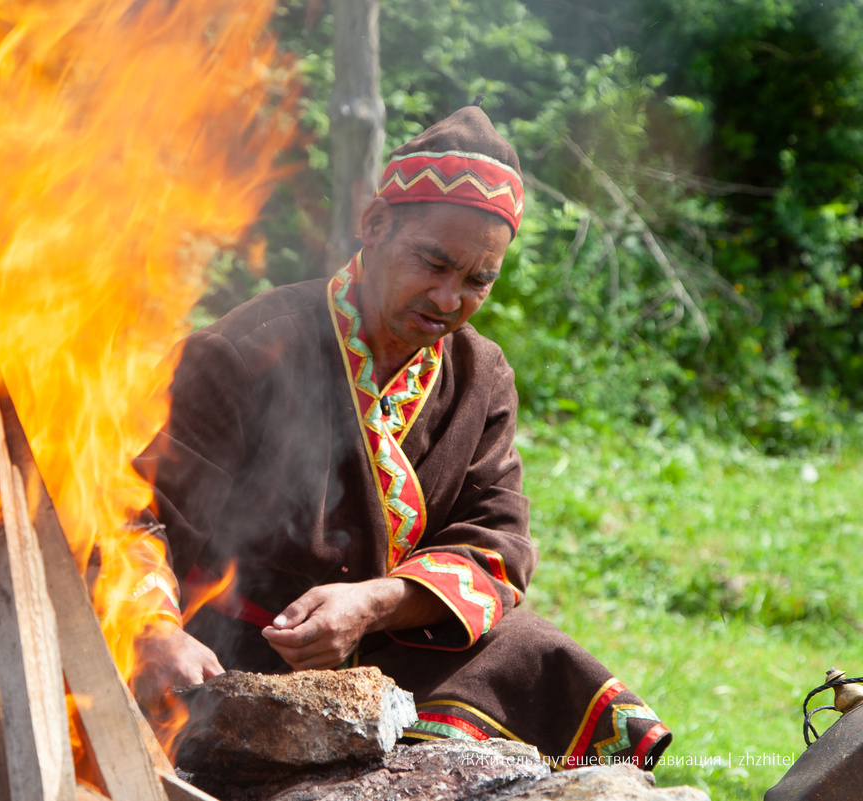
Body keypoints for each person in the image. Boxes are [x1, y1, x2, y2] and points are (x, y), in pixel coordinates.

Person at [130, 104, 672, 769]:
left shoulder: (481, 375)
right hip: (234, 648)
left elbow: (497, 544)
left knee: (545, 664)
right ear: (375, 227)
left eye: (478, 280)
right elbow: (135, 508)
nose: (450, 299)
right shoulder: (245, 350)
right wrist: (153, 629)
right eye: (433, 263)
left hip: (388, 639)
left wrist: (374, 602)